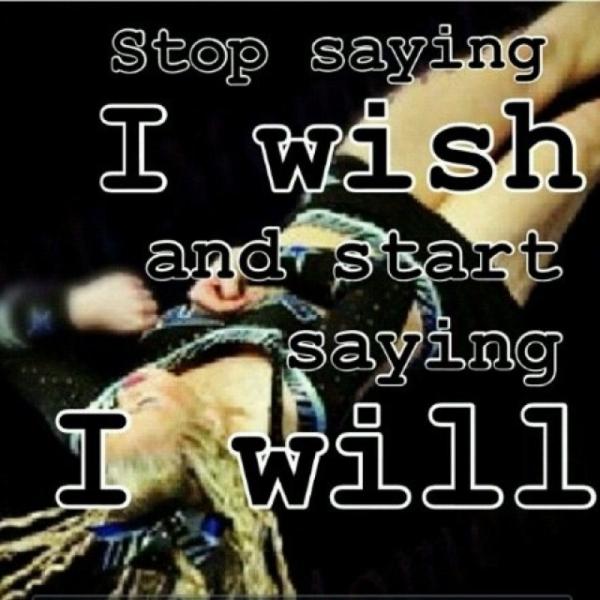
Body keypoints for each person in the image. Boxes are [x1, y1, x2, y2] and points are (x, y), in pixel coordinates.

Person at [1, 2, 600, 597]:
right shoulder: (281, 412)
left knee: (536, 54)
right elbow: (383, 282)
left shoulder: (113, 426)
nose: (130, 393)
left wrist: (80, 308)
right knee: (581, 138)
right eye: (145, 408)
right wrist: (262, 275)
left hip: (349, 203)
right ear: (199, 447)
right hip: (450, 275)